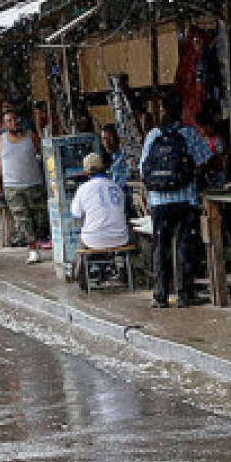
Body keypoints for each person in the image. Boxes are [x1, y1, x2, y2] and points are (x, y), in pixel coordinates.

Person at [139, 92, 212, 309]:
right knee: (184, 246)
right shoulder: (188, 134)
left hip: (158, 201)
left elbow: (143, 168)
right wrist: (188, 174)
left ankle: (160, 295)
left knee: (160, 248)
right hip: (184, 199)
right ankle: (184, 294)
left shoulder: (153, 135)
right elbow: (205, 161)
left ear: (161, 111)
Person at [0, 105, 48, 264]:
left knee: (40, 218)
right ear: (4, 125)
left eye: (16, 119)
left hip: (34, 184)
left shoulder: (31, 137)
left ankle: (40, 241)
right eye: (9, 121)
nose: (14, 123)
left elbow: (44, 155)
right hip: (13, 187)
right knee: (23, 220)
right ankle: (32, 249)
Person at [69, 152, 130, 283]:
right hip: (121, 237)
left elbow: (76, 214)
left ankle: (79, 275)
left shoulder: (83, 189)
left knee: (85, 238)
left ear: (86, 172)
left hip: (94, 240)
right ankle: (110, 269)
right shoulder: (116, 186)